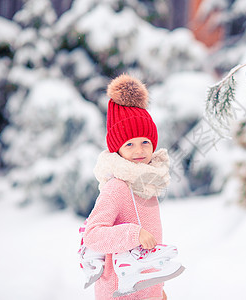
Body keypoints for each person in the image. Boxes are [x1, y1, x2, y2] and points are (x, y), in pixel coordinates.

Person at [82, 74, 173, 300]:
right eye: (129, 144)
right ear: (118, 149)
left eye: (145, 142)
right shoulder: (117, 187)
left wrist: (157, 286)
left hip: (147, 288)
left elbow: (150, 246)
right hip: (120, 292)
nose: (139, 150)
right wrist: (133, 234)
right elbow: (93, 235)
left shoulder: (146, 185)